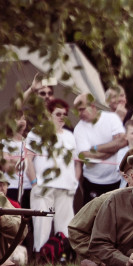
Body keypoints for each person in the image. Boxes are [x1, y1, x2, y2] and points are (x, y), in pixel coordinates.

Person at [25, 98, 80, 255]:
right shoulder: (36, 132)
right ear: (49, 115)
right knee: (42, 224)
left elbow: (77, 163)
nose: (62, 117)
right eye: (58, 114)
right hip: (43, 187)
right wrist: (34, 182)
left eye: (65, 114)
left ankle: (63, 256)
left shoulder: (70, 136)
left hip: (66, 188)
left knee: (66, 226)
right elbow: (28, 159)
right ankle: (40, 257)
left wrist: (74, 182)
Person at [73, 94, 126, 201]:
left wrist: (96, 148)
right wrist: (113, 148)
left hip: (115, 180)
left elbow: (123, 141)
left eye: (82, 109)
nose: (79, 114)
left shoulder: (111, 118)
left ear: (92, 106)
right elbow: (86, 156)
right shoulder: (79, 129)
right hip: (92, 181)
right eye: (77, 110)